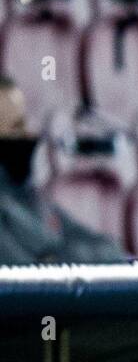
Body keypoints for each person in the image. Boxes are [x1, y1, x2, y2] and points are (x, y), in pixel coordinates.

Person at [0, 74, 125, 264]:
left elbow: (112, 252)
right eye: (16, 127)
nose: (27, 134)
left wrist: (56, 256)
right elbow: (32, 277)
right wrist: (58, 256)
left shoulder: (32, 198)